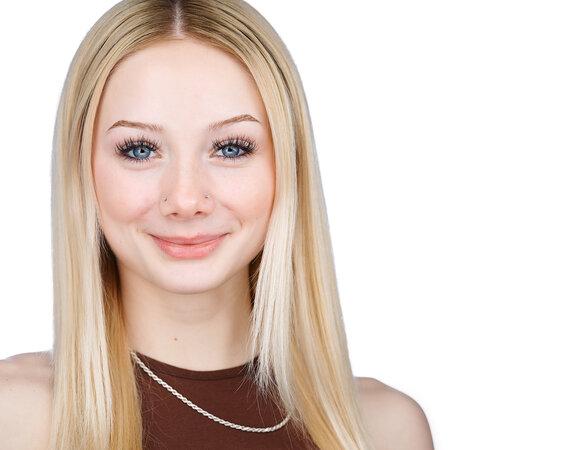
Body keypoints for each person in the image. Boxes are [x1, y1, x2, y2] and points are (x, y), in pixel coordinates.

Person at [0, 0, 433, 448]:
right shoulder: (12, 417)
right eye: (140, 150)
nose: (186, 200)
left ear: (287, 166)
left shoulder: (385, 430)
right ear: (82, 170)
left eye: (230, 148)